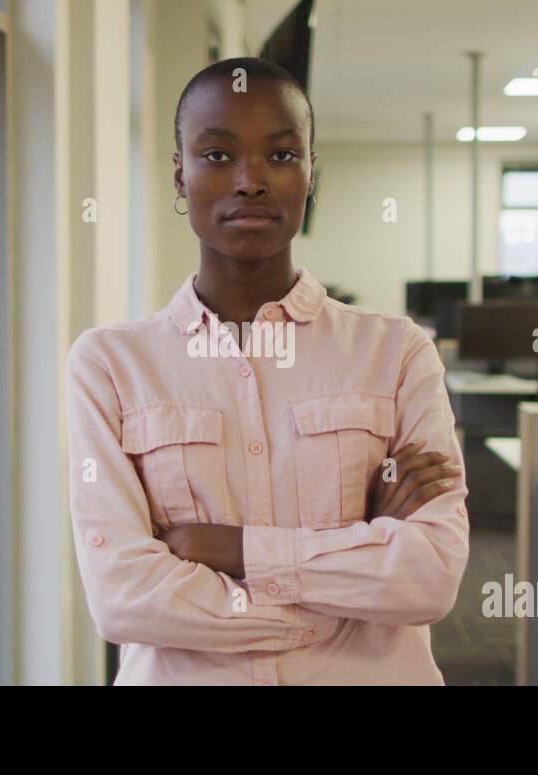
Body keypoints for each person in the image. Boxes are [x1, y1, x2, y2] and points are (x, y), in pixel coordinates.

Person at [65, 57, 470, 685]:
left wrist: (234, 551)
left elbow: (431, 576)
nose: (250, 180)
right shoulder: (111, 364)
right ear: (180, 175)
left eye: (281, 156)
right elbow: (122, 595)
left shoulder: (396, 352)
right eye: (218, 155)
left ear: (311, 176)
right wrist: (351, 573)